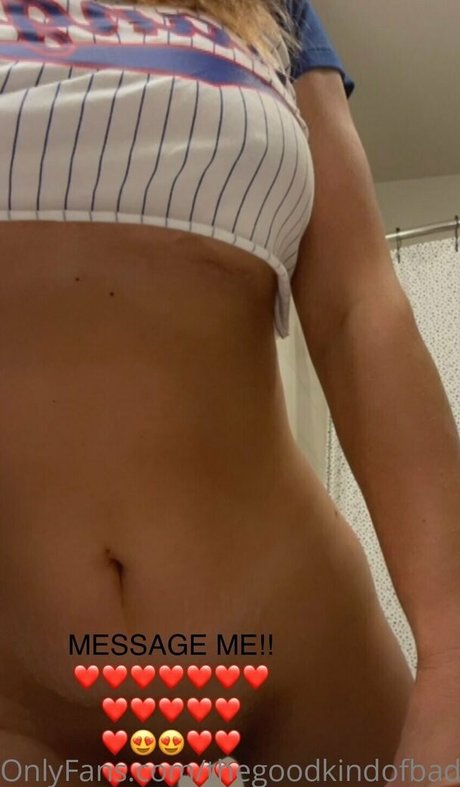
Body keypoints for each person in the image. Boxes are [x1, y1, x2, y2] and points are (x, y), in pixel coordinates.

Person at [0, 1, 459, 785]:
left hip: (298, 660)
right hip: (23, 699)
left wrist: (451, 648)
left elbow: (359, 309)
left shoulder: (272, 10)